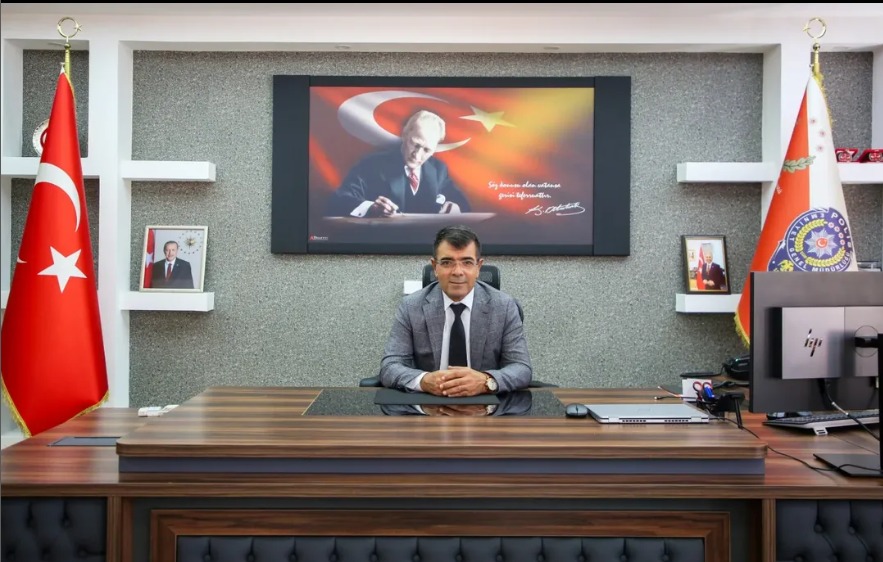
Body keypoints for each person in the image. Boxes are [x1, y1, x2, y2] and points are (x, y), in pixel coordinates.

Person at [379, 225, 532, 396]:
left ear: (478, 267)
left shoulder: (504, 306)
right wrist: (423, 380)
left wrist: (486, 381)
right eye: (447, 262)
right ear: (435, 267)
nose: (457, 272)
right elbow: (390, 366)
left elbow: (521, 368)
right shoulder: (411, 307)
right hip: (428, 402)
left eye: (467, 262)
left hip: (486, 403)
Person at [325, 110, 472, 217]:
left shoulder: (439, 169)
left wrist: (456, 208)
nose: (417, 155)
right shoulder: (372, 164)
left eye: (427, 150)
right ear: (404, 134)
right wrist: (371, 208)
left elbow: (463, 204)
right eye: (415, 144)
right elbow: (339, 200)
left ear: (434, 149)